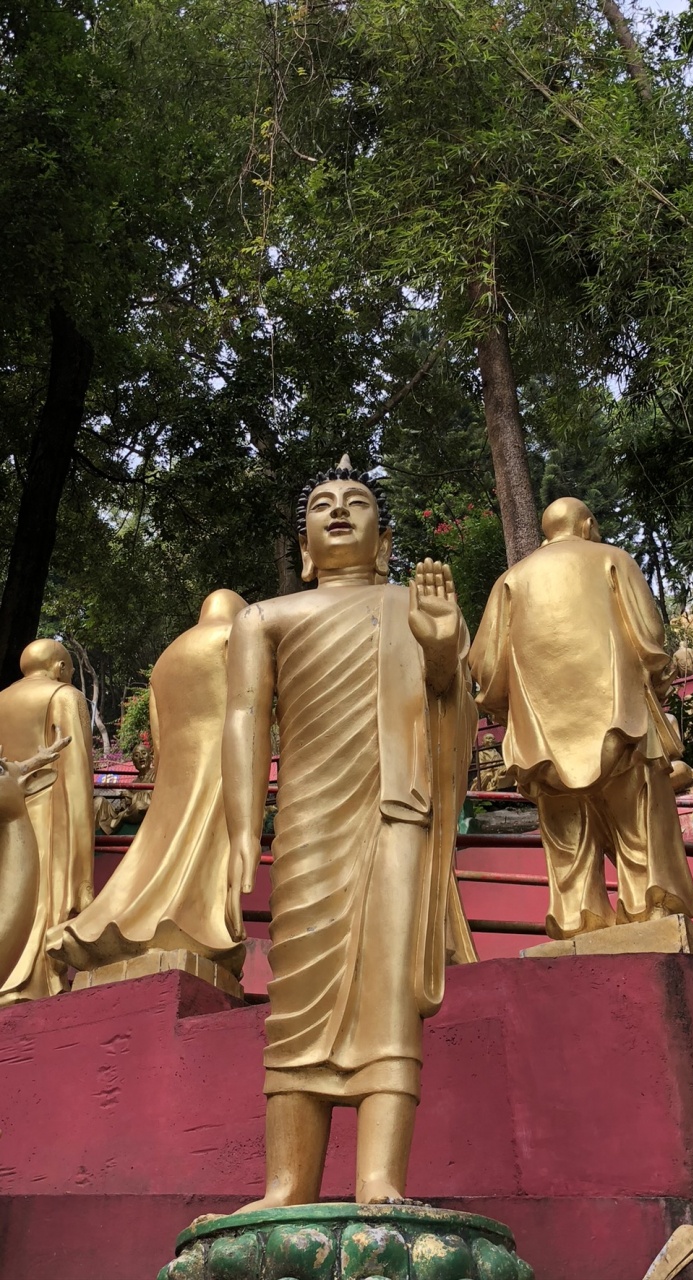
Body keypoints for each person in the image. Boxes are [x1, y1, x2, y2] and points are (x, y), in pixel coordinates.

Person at [222, 456, 477, 1209]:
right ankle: (285, 1186)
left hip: (393, 811)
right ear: (304, 543)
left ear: (384, 537)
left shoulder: (411, 606)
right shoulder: (265, 618)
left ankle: (381, 1182)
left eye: (357, 502)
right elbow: (244, 720)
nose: (338, 510)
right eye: (323, 504)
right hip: (306, 819)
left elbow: (449, 704)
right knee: (296, 993)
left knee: (388, 987)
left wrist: (437, 646)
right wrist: (244, 824)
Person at [470, 496, 693, 940]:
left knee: (567, 838)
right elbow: (649, 636)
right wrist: (658, 682)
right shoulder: (613, 560)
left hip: (542, 735)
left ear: (545, 535)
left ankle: (577, 920)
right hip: (619, 721)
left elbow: (484, 665)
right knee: (638, 829)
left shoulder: (510, 581)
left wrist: (507, 706)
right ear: (588, 526)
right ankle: (646, 909)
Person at [49, 590, 246, 985]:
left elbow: (157, 735)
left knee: (157, 848)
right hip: (224, 760)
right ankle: (189, 925)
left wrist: (167, 766)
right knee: (202, 852)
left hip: (176, 770)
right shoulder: (236, 638)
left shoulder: (167, 658)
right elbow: (249, 708)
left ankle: (124, 921)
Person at [0, 640, 94, 1003]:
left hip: (6, 809)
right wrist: (83, 870)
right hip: (47, 809)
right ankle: (34, 982)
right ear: (59, 667)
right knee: (40, 895)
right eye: (68, 669)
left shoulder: (2, 699)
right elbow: (77, 772)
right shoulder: (64, 696)